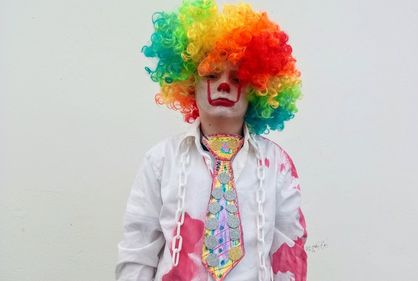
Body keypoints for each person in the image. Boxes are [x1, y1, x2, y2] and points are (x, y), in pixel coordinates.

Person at [115, 0, 307, 280]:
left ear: (258, 88)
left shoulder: (278, 165)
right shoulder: (161, 160)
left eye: (238, 77)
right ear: (189, 83)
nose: (224, 84)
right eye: (211, 74)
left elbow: (290, 250)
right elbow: (138, 248)